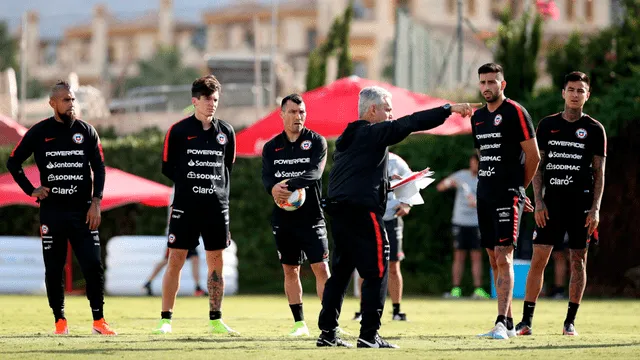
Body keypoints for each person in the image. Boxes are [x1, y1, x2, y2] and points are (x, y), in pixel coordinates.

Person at [316, 85, 478, 349]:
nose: (391, 115)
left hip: (340, 211)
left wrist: (389, 185)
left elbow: (356, 177)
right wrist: (448, 110)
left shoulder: (350, 136)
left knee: (342, 272)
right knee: (379, 269)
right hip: (362, 211)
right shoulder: (372, 133)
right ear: (372, 110)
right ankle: (369, 335)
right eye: (388, 109)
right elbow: (411, 123)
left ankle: (328, 333)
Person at [6, 80, 116, 335]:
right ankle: (60, 321)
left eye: (73, 100)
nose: (71, 104)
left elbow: (98, 168)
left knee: (92, 264)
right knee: (54, 268)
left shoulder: (86, 131)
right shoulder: (39, 132)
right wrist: (31, 189)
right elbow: (14, 163)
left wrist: (96, 202)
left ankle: (99, 321)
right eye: (66, 100)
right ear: (52, 103)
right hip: (52, 213)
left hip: (83, 212)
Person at [515, 71, 606, 337]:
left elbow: (600, 172)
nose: (575, 95)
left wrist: (596, 208)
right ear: (563, 93)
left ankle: (569, 322)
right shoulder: (546, 125)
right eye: (571, 89)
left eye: (581, 90)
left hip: (582, 206)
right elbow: (537, 165)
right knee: (538, 259)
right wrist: (539, 201)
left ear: (587, 95)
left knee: (578, 260)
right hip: (550, 204)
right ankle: (526, 321)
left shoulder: (594, 129)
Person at [153, 75, 237, 335]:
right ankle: (166, 319)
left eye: (215, 99)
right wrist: (191, 188)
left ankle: (215, 319)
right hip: (186, 208)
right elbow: (168, 167)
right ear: (195, 101)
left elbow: (227, 168)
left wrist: (216, 196)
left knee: (216, 262)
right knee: (176, 259)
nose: (212, 104)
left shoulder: (227, 132)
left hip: (216, 209)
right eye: (207, 99)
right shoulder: (178, 131)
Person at [471, 63, 540, 340]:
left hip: (507, 194)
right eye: (483, 82)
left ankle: (500, 321)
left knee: (504, 255)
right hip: (483, 194)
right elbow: (483, 154)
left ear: (503, 84)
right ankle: (509, 323)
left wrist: (519, 190)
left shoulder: (515, 112)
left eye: (492, 82)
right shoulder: (477, 118)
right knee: (492, 256)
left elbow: (533, 156)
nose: (487, 87)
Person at [261, 94, 331, 337]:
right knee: (290, 270)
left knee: (321, 267)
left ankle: (329, 322)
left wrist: (288, 185)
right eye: (292, 112)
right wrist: (273, 188)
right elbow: (267, 178)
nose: (298, 116)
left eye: (301, 112)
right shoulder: (271, 147)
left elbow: (314, 174)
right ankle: (299, 323)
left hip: (311, 217)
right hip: (284, 220)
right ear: (282, 114)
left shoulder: (317, 142)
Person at [353, 152, 413, 322]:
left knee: (393, 265)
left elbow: (411, 183)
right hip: (367, 217)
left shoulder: (396, 161)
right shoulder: (362, 158)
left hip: (391, 217)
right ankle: (363, 309)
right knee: (364, 265)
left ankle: (396, 310)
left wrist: (407, 204)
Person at [437, 153, 491, 299]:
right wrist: (450, 183)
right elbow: (440, 186)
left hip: (476, 223)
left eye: (477, 163)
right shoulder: (461, 175)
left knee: (476, 256)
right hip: (459, 222)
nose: (474, 165)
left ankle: (478, 290)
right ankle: (456, 289)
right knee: (459, 256)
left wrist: (477, 203)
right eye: (473, 162)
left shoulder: (485, 178)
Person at [143, 186, 205, 297]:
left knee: (193, 258)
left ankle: (198, 287)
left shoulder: (186, 187)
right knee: (169, 259)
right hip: (178, 231)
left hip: (186, 231)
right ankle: (149, 282)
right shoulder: (180, 188)